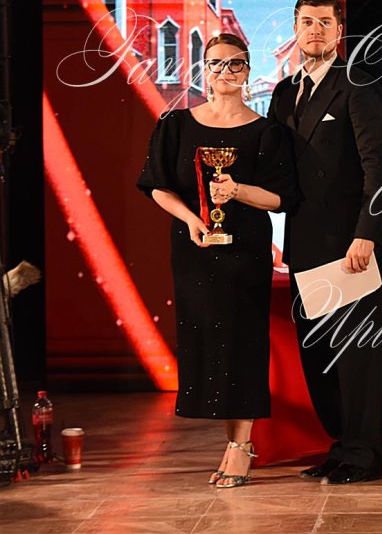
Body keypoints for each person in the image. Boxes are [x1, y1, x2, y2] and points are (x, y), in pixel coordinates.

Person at [137, 33, 300, 489]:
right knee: (209, 343)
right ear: (204, 70)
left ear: (247, 71)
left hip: (245, 252)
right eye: (216, 64)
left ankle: (241, 446)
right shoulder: (176, 125)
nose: (225, 72)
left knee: (243, 343)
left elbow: (282, 199)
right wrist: (192, 219)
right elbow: (157, 185)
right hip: (195, 250)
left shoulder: (267, 132)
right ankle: (232, 442)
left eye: (235, 64)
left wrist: (238, 191)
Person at [268, 0, 382, 484]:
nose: (315, 30)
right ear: (295, 30)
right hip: (303, 245)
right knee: (318, 355)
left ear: (339, 31)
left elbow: (378, 169)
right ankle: (342, 447)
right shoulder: (284, 93)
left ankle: (364, 456)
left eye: (324, 22)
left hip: (348, 248)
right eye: (307, 22)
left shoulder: (357, 85)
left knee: (355, 358)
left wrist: (367, 234)